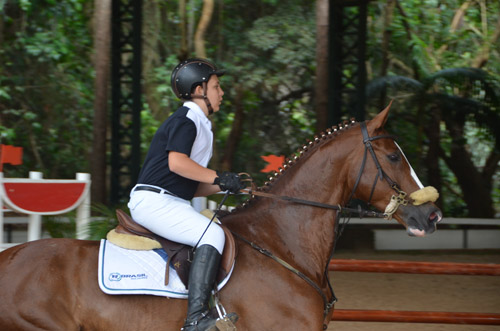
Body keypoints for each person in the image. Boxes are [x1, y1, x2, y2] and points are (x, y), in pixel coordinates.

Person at [127, 58, 244, 331]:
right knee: (211, 234)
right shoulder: (187, 118)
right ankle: (195, 320)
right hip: (154, 201)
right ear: (199, 89)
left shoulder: (201, 124)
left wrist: (228, 185)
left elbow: (190, 184)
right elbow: (177, 164)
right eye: (216, 86)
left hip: (170, 198)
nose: (222, 92)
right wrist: (218, 176)